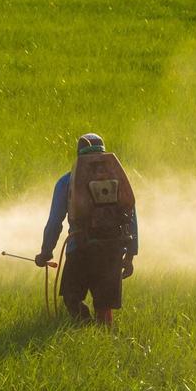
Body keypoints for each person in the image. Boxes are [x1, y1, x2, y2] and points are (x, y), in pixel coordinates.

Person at [35, 134, 139, 327]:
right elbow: (131, 218)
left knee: (71, 298)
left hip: (80, 249)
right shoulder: (118, 182)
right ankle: (103, 337)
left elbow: (55, 221)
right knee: (104, 305)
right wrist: (130, 255)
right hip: (113, 248)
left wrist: (45, 252)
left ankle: (84, 328)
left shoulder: (67, 182)